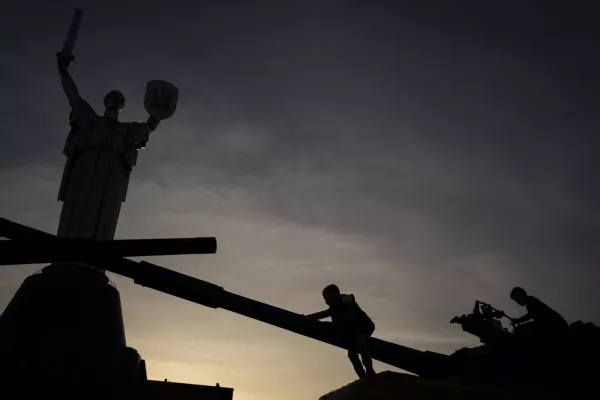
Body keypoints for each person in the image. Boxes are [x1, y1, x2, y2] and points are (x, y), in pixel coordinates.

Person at [306, 284, 376, 378]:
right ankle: (361, 375)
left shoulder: (347, 302)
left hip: (364, 327)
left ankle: (370, 370)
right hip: (353, 332)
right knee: (351, 354)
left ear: (336, 294)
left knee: (360, 344)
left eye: (328, 297)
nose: (327, 301)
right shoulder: (334, 308)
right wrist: (309, 317)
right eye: (325, 299)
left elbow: (350, 318)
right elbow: (322, 314)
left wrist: (335, 324)